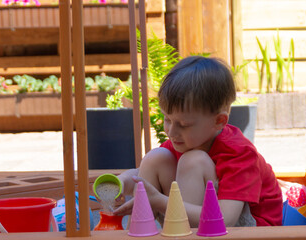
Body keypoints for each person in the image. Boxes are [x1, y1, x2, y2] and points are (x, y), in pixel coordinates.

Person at [112, 56, 282, 227]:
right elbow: (142, 171)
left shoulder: (239, 153)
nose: (172, 132)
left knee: (193, 161)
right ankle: (141, 232)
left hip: (249, 229)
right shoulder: (186, 140)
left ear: (219, 121)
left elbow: (225, 219)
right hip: (203, 219)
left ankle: (183, 232)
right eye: (168, 119)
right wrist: (122, 182)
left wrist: (160, 201)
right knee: (156, 158)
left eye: (184, 125)